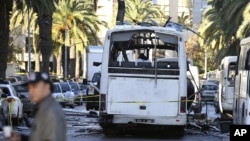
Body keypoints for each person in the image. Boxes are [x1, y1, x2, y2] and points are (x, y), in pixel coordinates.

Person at [7, 72, 66, 141]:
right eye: (29, 88)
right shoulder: (44, 108)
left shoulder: (50, 111)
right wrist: (22, 138)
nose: (31, 91)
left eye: (35, 87)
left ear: (47, 87)